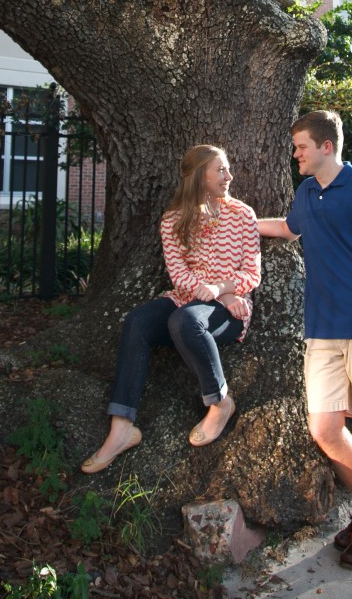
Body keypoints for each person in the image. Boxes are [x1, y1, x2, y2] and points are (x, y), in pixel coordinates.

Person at [258, 110, 352, 570]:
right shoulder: (307, 191)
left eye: (302, 146)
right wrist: (241, 220)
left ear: (327, 146)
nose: (296, 153)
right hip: (322, 329)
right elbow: (290, 228)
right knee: (325, 429)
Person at [81, 144, 261, 473]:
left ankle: (221, 403)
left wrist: (221, 291)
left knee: (185, 321)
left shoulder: (243, 215)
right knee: (137, 322)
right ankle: (122, 428)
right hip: (188, 298)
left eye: (227, 169)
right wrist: (213, 293)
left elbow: (252, 274)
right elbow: (178, 274)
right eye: (220, 170)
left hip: (231, 311)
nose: (229, 176)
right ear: (199, 176)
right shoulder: (173, 220)